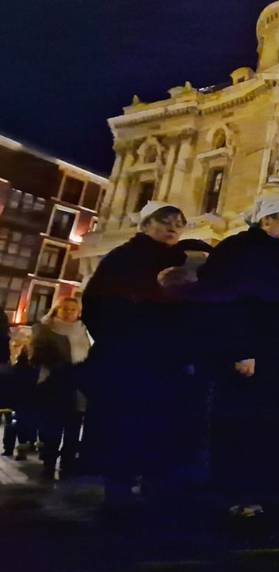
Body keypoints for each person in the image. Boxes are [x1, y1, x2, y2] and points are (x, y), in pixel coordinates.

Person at [195, 197, 279, 519]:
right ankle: (241, 494)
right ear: (266, 220)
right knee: (246, 427)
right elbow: (227, 303)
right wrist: (240, 349)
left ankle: (277, 492)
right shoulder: (238, 249)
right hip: (254, 359)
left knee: (277, 427)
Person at [81, 200, 189, 507]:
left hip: (167, 360)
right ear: (146, 224)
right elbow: (95, 304)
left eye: (178, 224)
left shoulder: (182, 259)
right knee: (125, 422)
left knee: (161, 422)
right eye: (165, 221)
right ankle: (119, 485)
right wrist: (121, 337)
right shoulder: (123, 257)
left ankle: (154, 481)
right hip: (128, 357)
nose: (172, 228)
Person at [32, 297, 91, 480]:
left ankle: (68, 464)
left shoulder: (83, 330)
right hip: (55, 384)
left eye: (73, 309)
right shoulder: (46, 329)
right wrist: (61, 366)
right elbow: (38, 355)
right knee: (53, 427)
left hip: (79, 386)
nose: (69, 312)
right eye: (65, 309)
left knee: (73, 428)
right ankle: (49, 464)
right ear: (57, 310)